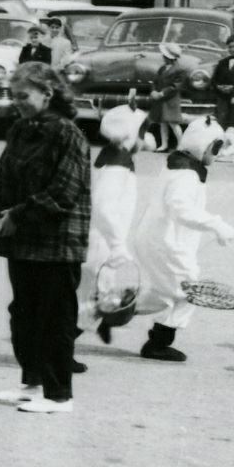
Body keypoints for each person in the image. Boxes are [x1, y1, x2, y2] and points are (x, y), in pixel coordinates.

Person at [0, 61, 93, 413]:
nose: (18, 103)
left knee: (55, 318)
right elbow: (2, 178)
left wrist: (16, 215)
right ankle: (31, 383)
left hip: (58, 242)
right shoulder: (19, 130)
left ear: (48, 93)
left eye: (24, 96)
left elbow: (64, 191)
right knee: (24, 314)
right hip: (23, 241)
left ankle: (59, 395)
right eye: (14, 97)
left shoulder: (68, 133)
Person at [123, 115, 234, 364]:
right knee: (191, 291)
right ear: (201, 146)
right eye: (215, 147)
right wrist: (215, 224)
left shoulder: (181, 165)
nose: (217, 154)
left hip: (161, 240)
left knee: (163, 294)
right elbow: (180, 209)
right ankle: (158, 343)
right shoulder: (186, 174)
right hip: (166, 243)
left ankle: (108, 310)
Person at [81, 102, 150, 345]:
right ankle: (61, 348)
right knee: (93, 294)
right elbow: (103, 207)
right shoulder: (116, 166)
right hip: (102, 240)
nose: (145, 141)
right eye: (140, 134)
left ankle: (92, 327)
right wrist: (117, 243)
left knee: (97, 291)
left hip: (105, 240)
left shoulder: (117, 159)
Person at [148, 41, 189, 152]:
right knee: (163, 122)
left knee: (173, 123)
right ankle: (164, 144)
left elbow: (175, 86)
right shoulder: (162, 68)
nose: (163, 57)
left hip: (171, 100)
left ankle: (181, 144)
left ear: (169, 57)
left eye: (165, 55)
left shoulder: (179, 70)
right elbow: (155, 82)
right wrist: (153, 91)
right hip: (162, 100)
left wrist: (162, 93)